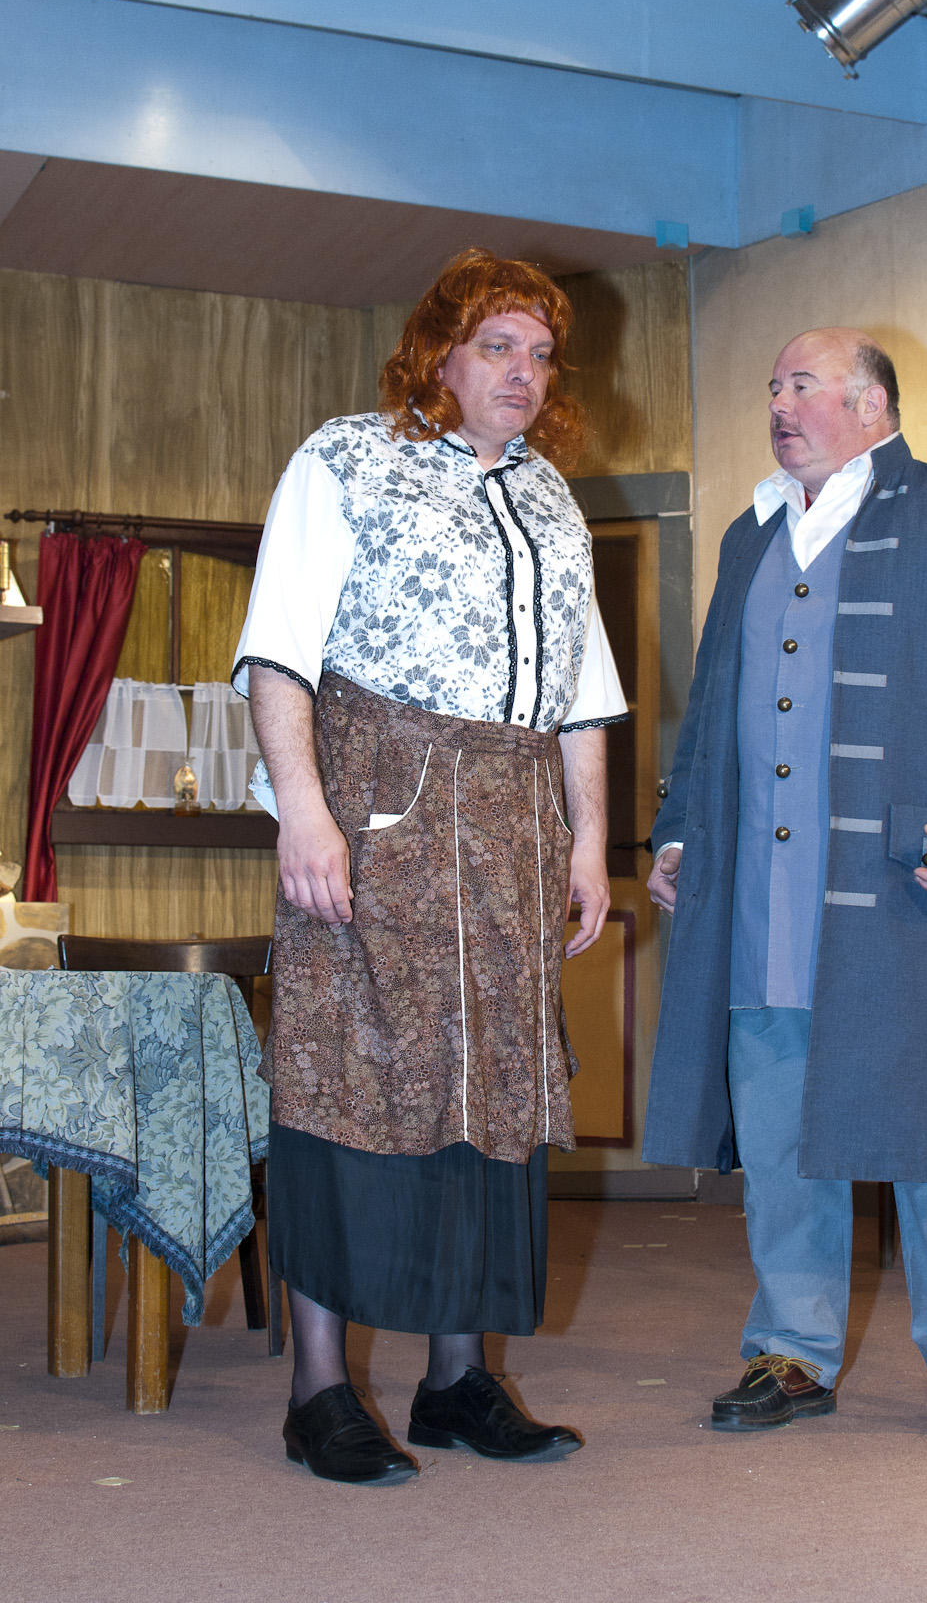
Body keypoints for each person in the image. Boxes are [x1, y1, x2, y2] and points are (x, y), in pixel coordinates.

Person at [232, 248, 627, 1484]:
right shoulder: (346, 458)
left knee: (492, 1093)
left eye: (540, 354)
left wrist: (588, 840)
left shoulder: (553, 501)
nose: (523, 372)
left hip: (511, 825)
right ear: (437, 356)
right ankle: (317, 1390)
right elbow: (279, 653)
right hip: (377, 810)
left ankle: (458, 1380)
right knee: (346, 1078)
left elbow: (583, 692)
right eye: (496, 347)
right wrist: (304, 812)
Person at [644, 327, 927, 1444]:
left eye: (801, 384)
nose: (777, 404)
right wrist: (682, 831)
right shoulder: (747, 533)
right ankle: (790, 1348)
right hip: (762, 892)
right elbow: (713, 703)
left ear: (871, 404)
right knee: (780, 1129)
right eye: (771, 386)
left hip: (905, 886)